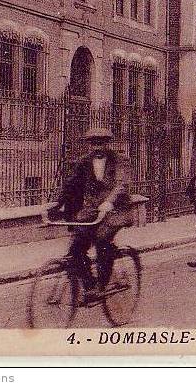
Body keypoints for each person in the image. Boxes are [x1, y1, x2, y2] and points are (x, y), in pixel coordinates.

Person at [52, 128, 133, 300]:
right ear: (89, 144)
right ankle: (90, 286)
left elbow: (121, 185)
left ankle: (101, 285)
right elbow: (70, 185)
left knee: (102, 240)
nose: (97, 147)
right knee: (76, 248)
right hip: (91, 211)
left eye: (101, 143)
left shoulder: (120, 160)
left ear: (107, 143)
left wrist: (109, 201)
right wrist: (55, 204)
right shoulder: (83, 162)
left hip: (116, 209)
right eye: (94, 143)